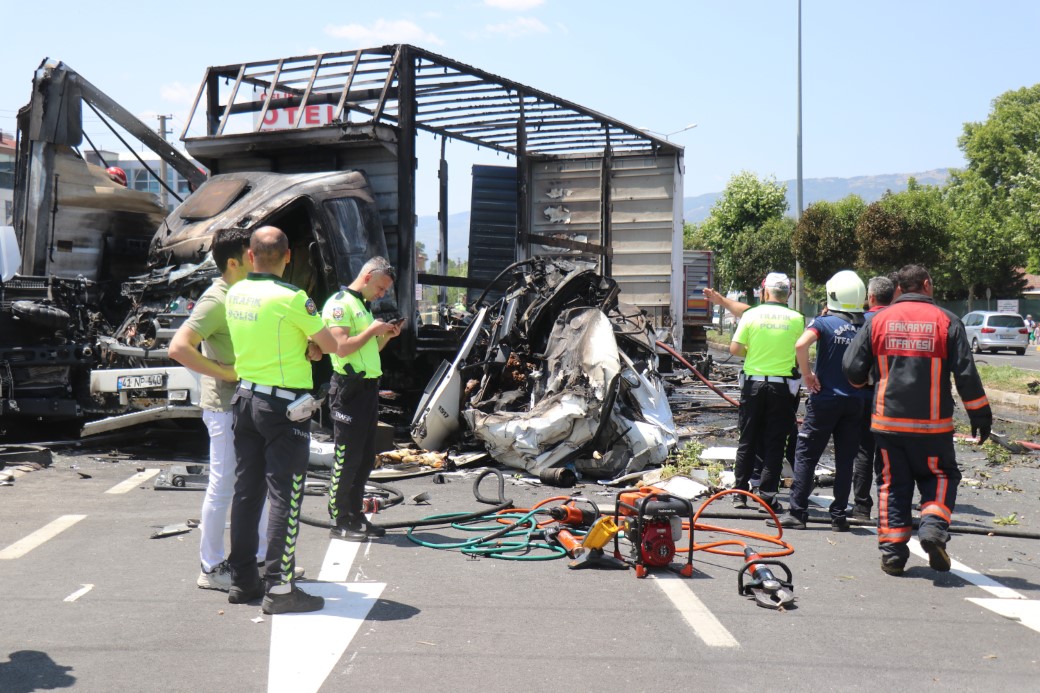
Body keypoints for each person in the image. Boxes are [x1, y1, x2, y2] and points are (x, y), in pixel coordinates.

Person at [843, 264, 992, 577]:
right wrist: (980, 414)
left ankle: (893, 555)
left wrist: (865, 382)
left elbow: (853, 368)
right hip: (933, 427)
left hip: (888, 424)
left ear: (898, 289)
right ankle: (933, 527)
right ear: (926, 284)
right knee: (941, 476)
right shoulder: (947, 321)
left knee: (892, 485)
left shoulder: (878, 321)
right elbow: (966, 374)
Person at [224, 226, 340, 614]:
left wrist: (304, 343)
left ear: (250, 255)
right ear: (288, 257)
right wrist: (311, 346)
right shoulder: (293, 298)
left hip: (245, 398)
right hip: (283, 406)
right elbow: (331, 345)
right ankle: (280, 587)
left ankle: (242, 580)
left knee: (246, 492)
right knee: (284, 496)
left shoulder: (235, 292)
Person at [169, 228, 270, 591]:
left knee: (257, 483)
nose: (257, 258)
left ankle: (260, 561)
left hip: (249, 404)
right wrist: (225, 372)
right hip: (224, 407)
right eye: (250, 253)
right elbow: (179, 347)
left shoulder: (245, 293)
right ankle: (211, 568)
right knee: (223, 485)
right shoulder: (216, 299)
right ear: (233, 262)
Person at [772, 271, 869, 532]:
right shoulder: (867, 325)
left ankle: (798, 512)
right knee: (845, 459)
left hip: (825, 399)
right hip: (855, 402)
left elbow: (801, 345)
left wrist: (807, 375)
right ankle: (839, 516)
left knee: (806, 454)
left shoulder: (824, 323)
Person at [322, 257, 402, 541]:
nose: (381, 294)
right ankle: (339, 520)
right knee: (347, 457)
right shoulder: (340, 304)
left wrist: (386, 336)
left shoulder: (362, 306)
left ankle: (355, 515)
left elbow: (368, 349)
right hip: (349, 389)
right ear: (367, 277)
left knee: (366, 458)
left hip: (367, 389)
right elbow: (341, 348)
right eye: (380, 287)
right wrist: (371, 330)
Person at [726, 273, 804, 512]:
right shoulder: (797, 318)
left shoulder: (751, 314)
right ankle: (767, 497)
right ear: (788, 294)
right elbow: (800, 352)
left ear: (765, 292)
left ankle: (740, 494)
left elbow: (735, 348)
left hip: (753, 385)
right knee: (775, 442)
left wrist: (754, 353)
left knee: (747, 439)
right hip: (781, 387)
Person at [849, 275, 895, 520]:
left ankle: (862, 506)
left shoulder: (863, 321)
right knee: (892, 453)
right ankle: (891, 508)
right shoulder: (900, 320)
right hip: (896, 396)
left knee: (864, 450)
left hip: (867, 393)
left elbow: (853, 360)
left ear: (871, 297)